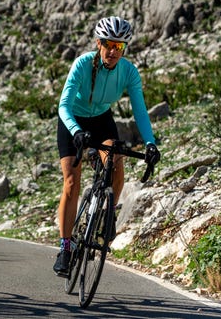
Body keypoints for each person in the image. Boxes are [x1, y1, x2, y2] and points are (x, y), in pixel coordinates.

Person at [52, 16, 161, 276]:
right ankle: (65, 247)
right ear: (99, 43)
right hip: (73, 121)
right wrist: (77, 131)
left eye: (120, 47)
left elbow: (140, 111)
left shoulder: (129, 72)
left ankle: (108, 212)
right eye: (110, 45)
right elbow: (63, 105)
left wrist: (150, 143)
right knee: (71, 183)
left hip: (101, 119)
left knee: (115, 159)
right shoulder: (81, 64)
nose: (114, 51)